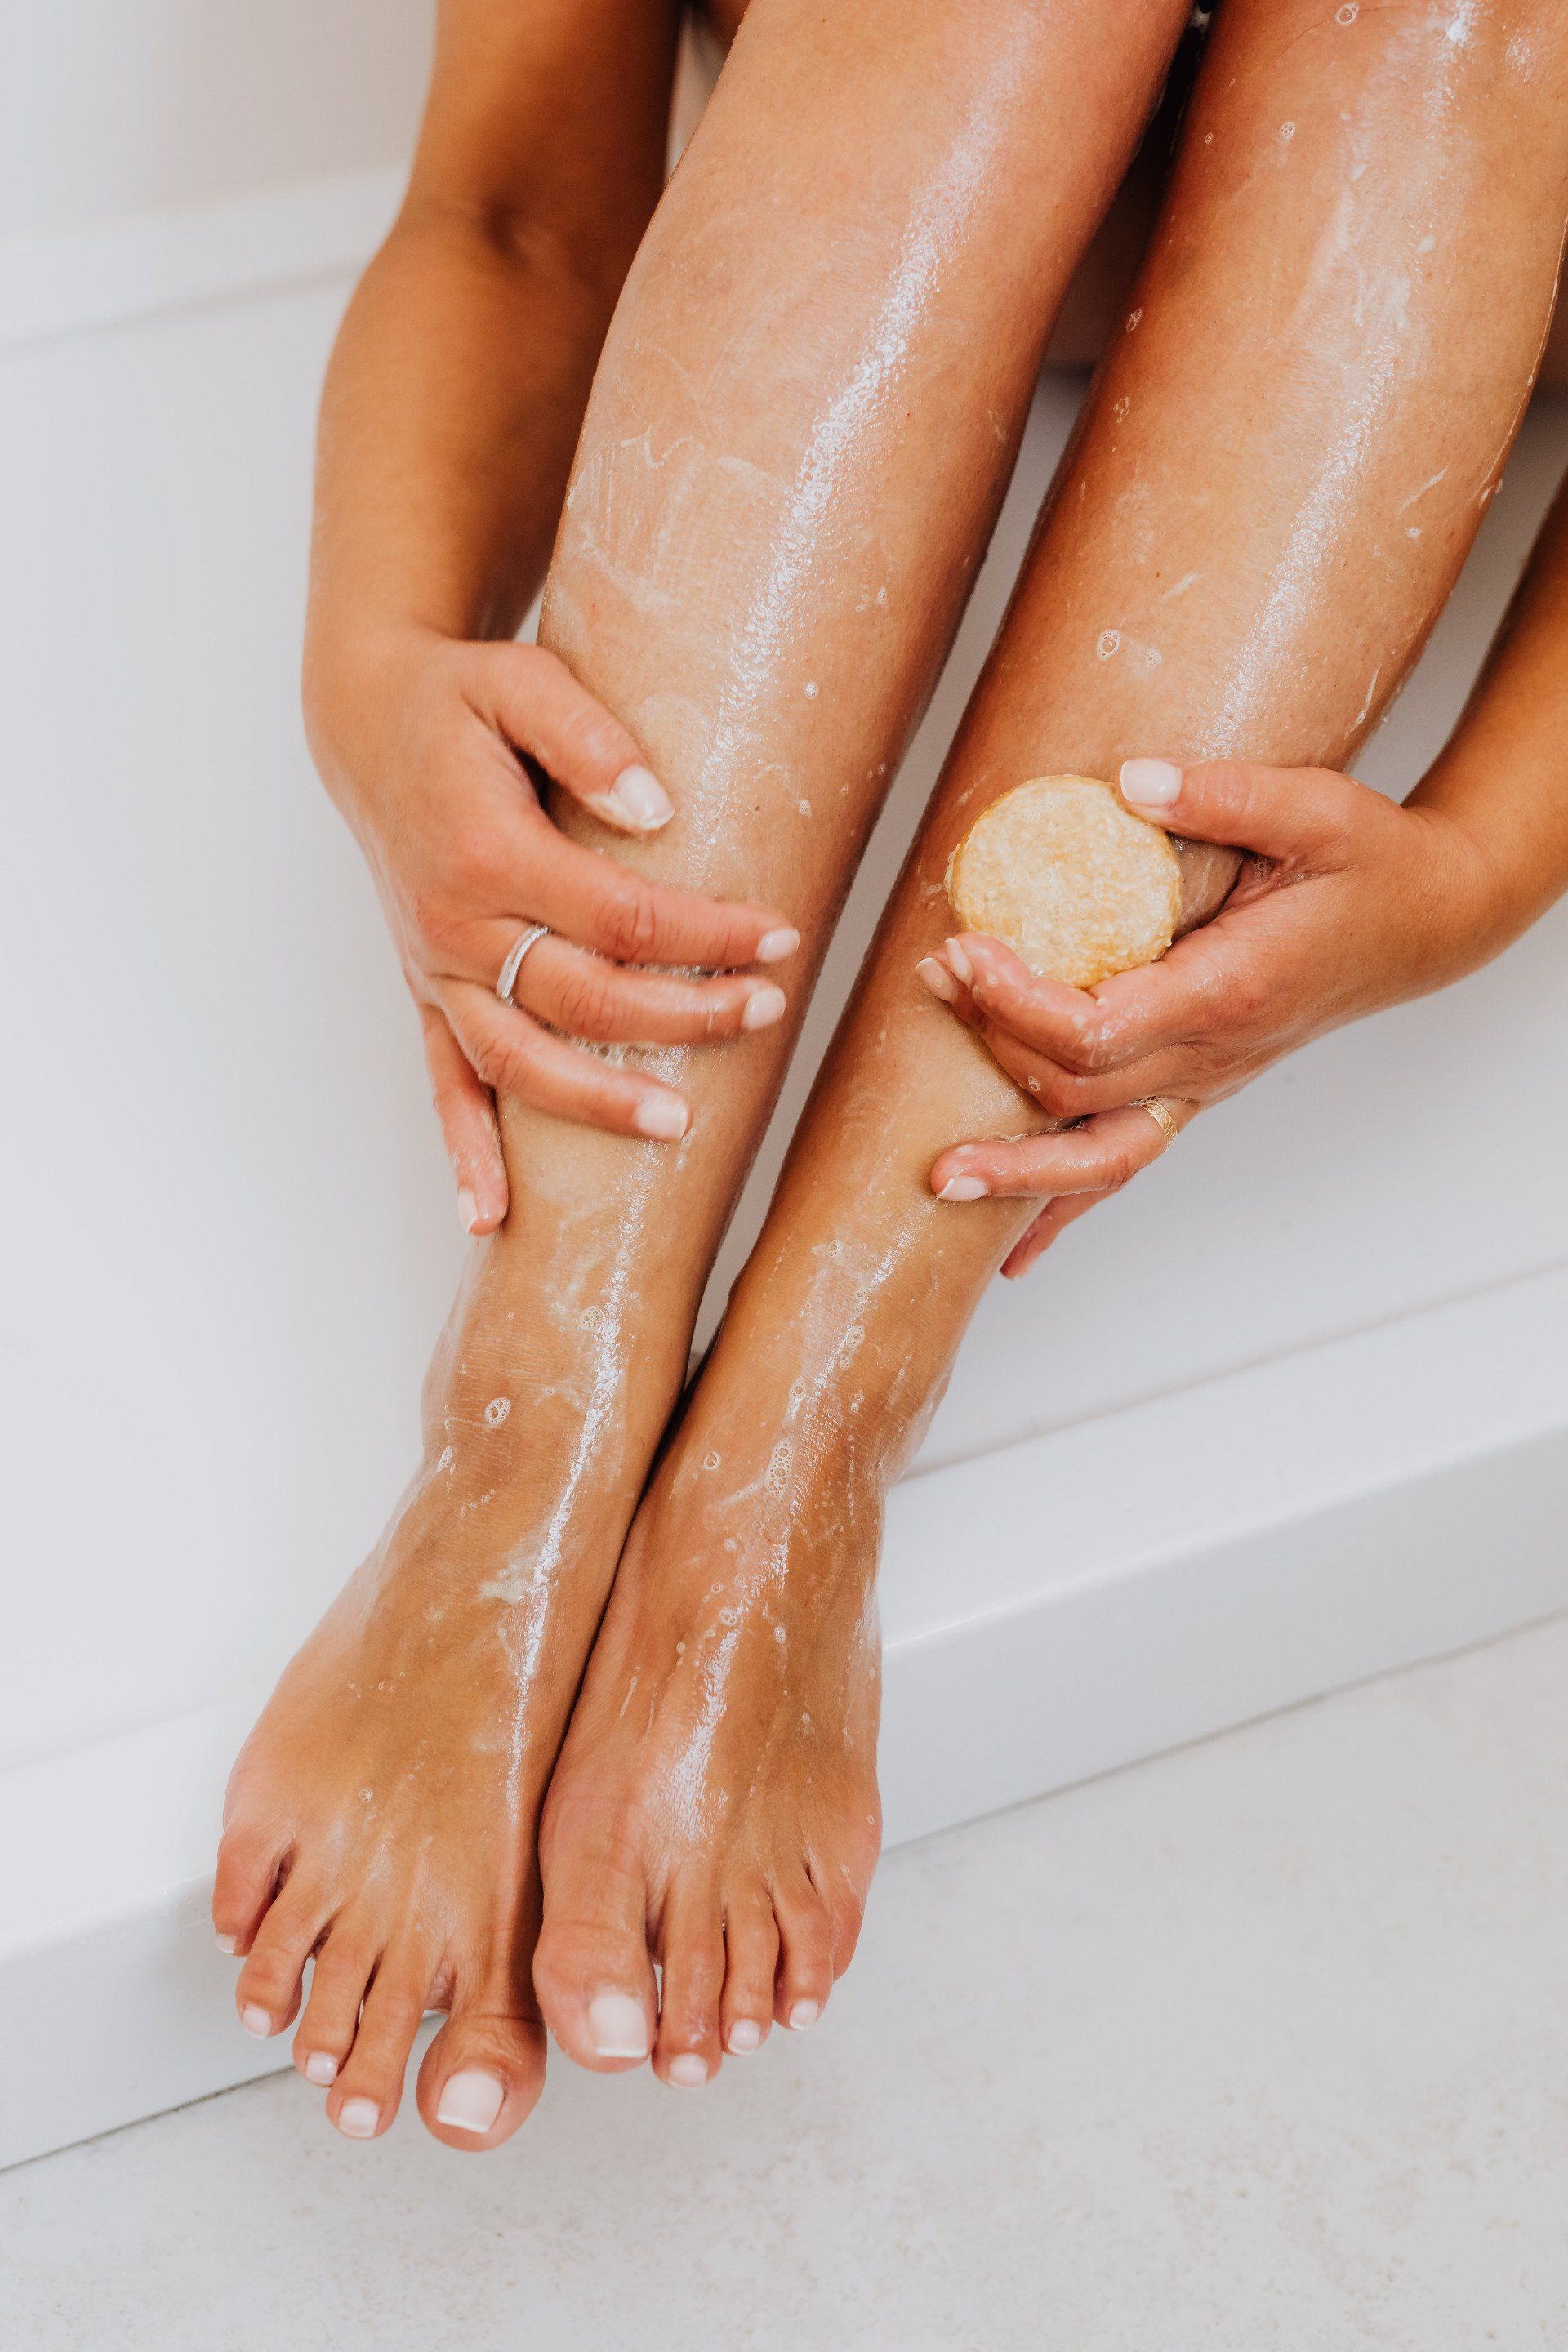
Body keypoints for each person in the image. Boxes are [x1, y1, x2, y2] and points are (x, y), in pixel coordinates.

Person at [214, 0, 1568, 2150]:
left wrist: (1489, 861)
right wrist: (373, 664)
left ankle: (806, 1441)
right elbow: (510, 205)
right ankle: (530, 1425)